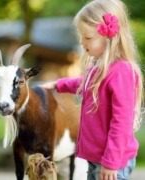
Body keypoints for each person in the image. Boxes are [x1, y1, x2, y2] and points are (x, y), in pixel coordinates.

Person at [41, 0, 143, 179]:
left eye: (87, 38)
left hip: (112, 162)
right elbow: (84, 84)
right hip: (97, 158)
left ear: (110, 37)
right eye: (81, 37)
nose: (82, 42)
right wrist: (58, 85)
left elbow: (122, 122)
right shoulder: (100, 69)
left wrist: (111, 162)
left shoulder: (121, 71)